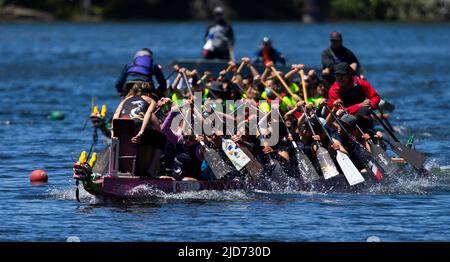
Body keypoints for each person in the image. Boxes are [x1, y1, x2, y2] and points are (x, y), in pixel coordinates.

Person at [112, 84, 166, 177]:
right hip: (136, 127)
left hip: (121, 129)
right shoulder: (151, 100)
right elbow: (148, 115)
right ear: (148, 93)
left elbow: (116, 114)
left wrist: (113, 132)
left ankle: (114, 171)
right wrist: (141, 132)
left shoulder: (125, 99)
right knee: (161, 138)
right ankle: (151, 170)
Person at [326, 62, 380, 131]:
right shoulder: (333, 90)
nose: (340, 78)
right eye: (337, 75)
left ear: (349, 74)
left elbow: (375, 97)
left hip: (362, 115)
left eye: (342, 75)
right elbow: (340, 111)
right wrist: (359, 106)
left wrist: (371, 104)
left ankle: (368, 132)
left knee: (365, 110)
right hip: (343, 118)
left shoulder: (361, 83)